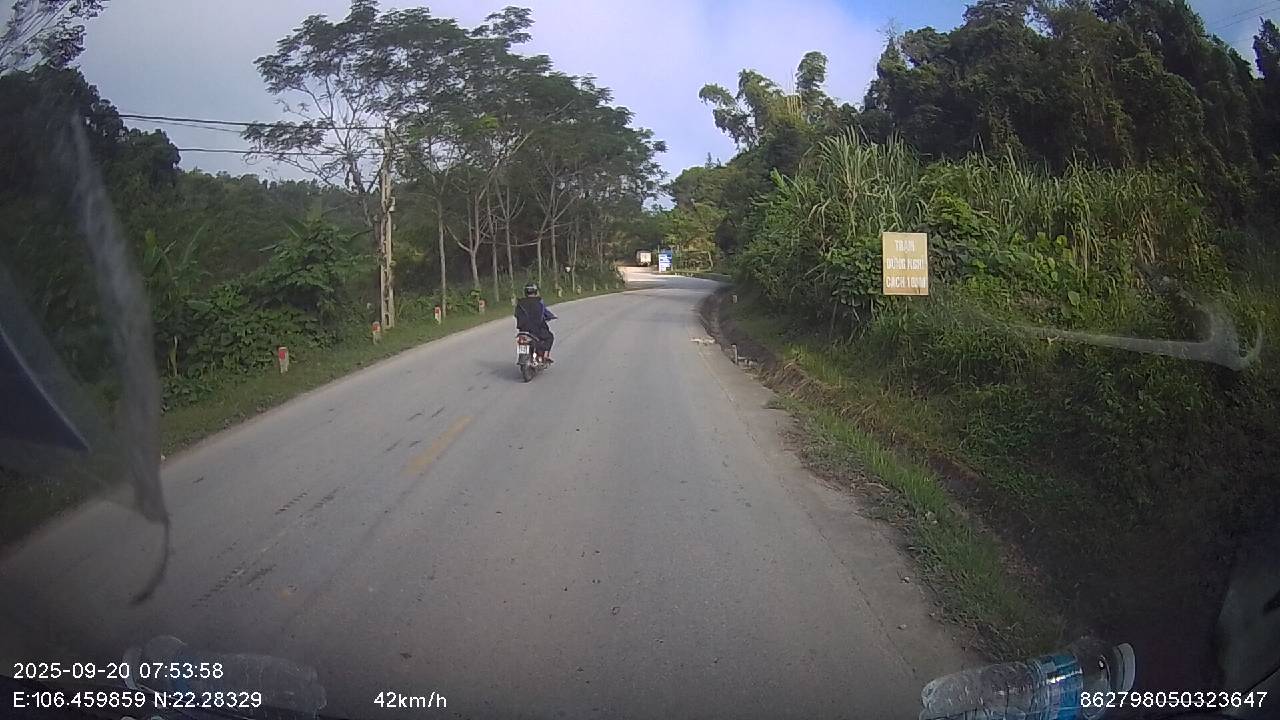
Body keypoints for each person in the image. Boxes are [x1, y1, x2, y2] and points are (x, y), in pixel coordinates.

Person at [514, 283, 556, 363]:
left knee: (523, 341)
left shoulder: (520, 303)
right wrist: (552, 316)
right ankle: (545, 355)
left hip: (523, 330)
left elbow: (516, 315)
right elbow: (545, 312)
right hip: (536, 330)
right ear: (535, 291)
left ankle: (530, 355)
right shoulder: (539, 301)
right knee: (549, 337)